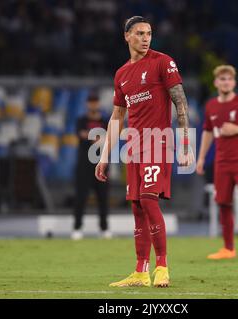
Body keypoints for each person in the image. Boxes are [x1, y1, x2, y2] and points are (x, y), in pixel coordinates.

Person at [95, 16, 194, 288]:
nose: (146, 38)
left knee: (149, 200)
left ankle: (162, 266)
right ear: (126, 36)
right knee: (137, 207)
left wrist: (186, 145)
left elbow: (180, 103)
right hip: (135, 147)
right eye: (139, 33)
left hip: (158, 142)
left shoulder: (163, 61)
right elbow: (117, 117)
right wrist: (104, 156)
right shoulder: (121, 74)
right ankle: (140, 271)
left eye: (149, 33)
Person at [196, 65, 238, 259]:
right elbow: (208, 132)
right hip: (222, 163)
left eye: (229, 79)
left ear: (234, 82)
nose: (226, 82)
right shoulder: (210, 106)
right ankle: (228, 248)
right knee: (223, 203)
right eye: (222, 79)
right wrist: (201, 158)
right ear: (216, 82)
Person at [72, 92, 111, 240]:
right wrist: (97, 136)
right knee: (81, 198)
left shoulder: (105, 121)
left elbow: (108, 137)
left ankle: (104, 228)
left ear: (98, 104)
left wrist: (92, 136)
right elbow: (81, 134)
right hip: (84, 166)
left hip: (101, 164)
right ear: (87, 104)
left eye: (95, 101)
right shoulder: (81, 120)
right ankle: (77, 227)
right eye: (91, 101)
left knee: (103, 198)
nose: (93, 104)